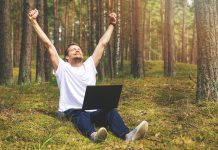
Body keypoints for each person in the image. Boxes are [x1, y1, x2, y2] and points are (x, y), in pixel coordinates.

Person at [28, 9, 148, 143]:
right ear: (67, 57)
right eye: (73, 49)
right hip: (73, 111)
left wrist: (112, 25)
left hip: (94, 111)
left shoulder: (89, 65)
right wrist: (33, 22)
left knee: (110, 111)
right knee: (80, 113)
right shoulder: (62, 68)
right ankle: (94, 136)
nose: (77, 50)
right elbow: (48, 45)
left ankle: (127, 135)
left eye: (78, 48)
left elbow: (103, 44)